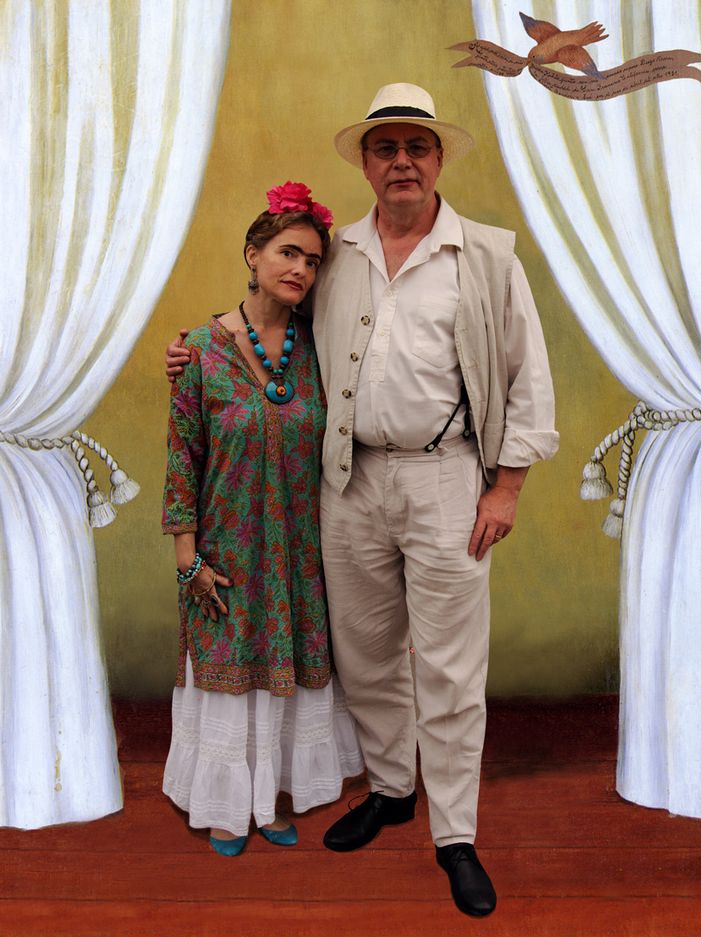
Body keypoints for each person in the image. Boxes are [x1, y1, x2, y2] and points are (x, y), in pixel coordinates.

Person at [167, 84, 558, 916]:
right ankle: (390, 789)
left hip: (448, 478)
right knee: (368, 653)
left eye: (417, 146)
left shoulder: (486, 256)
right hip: (346, 481)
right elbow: (276, 312)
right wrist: (198, 347)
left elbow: (529, 377)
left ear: (438, 159)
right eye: (387, 149)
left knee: (451, 669)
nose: (403, 161)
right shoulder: (337, 252)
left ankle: (455, 835)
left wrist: (508, 485)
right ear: (368, 164)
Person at [161, 182, 363, 857]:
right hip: (226, 547)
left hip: (300, 551)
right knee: (229, 675)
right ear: (253, 254)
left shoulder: (319, 348)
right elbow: (182, 458)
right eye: (287, 252)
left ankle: (271, 796)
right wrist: (188, 558)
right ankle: (224, 806)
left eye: (312, 259)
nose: (300, 269)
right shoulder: (198, 350)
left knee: (285, 671)